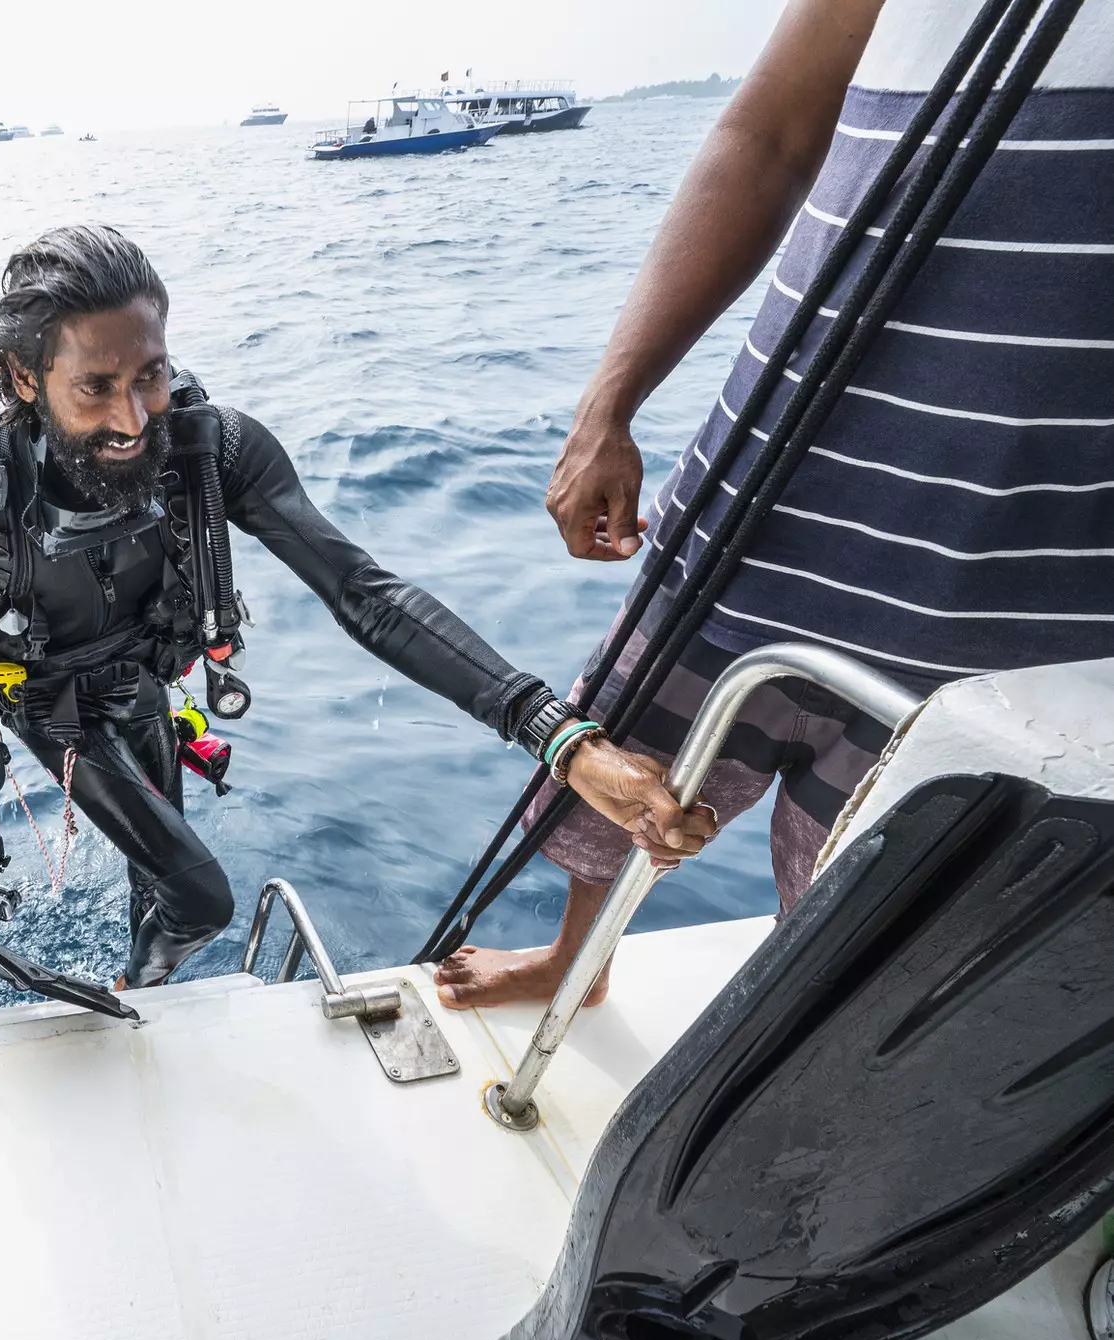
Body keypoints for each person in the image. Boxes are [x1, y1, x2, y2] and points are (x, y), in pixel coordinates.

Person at [434, 0, 1114, 1008]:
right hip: (765, 492)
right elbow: (764, 137)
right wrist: (608, 404)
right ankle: (579, 963)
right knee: (633, 745)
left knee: (885, 883)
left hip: (1022, 562)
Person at [0, 225, 717, 989]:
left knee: (163, 887)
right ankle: (135, 990)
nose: (133, 417)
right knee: (201, 901)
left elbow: (364, 594)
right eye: (95, 388)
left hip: (144, 676)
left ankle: (143, 982)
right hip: (46, 700)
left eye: (149, 374)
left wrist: (558, 737)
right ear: (23, 377)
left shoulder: (212, 447)